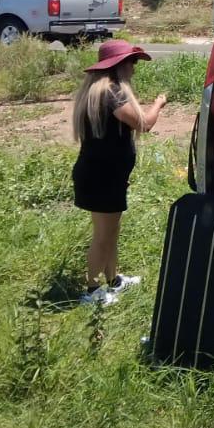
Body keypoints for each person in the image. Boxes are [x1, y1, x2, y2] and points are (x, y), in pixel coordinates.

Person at [71, 40, 165, 306]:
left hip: (103, 175)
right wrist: (158, 103)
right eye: (132, 62)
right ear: (119, 64)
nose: (134, 68)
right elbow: (144, 124)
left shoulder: (98, 91)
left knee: (111, 230)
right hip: (102, 178)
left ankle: (113, 280)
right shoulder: (112, 93)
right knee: (102, 236)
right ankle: (91, 290)